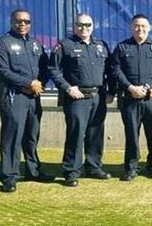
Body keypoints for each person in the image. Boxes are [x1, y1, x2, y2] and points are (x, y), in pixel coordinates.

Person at [48, 13, 115, 187]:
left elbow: (111, 70)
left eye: (87, 25)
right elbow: (53, 70)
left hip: (98, 96)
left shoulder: (100, 46)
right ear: (74, 26)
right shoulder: (65, 45)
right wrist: (68, 88)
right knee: (76, 134)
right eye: (80, 25)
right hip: (77, 97)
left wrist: (111, 91)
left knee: (95, 133)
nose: (84, 28)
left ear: (93, 26)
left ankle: (93, 167)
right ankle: (71, 171)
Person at [0, 9, 53, 192]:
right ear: (11, 21)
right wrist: (28, 83)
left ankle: (33, 171)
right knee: (12, 136)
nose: (23, 24)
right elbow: (3, 71)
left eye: (26, 21)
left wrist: (39, 84)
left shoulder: (35, 44)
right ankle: (9, 176)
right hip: (13, 96)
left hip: (33, 96)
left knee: (32, 135)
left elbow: (45, 67)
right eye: (19, 21)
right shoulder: (2, 44)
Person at [111, 13, 152, 181]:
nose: (140, 29)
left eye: (143, 26)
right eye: (136, 26)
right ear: (131, 27)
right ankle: (131, 168)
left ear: (149, 28)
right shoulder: (122, 47)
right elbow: (115, 70)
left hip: (151, 98)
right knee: (132, 134)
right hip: (129, 98)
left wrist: (147, 86)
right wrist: (130, 87)